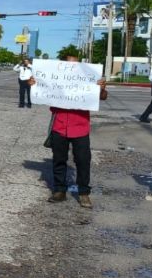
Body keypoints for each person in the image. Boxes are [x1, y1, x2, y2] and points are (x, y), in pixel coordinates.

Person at [32, 55, 108, 209]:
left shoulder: (88, 79)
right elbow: (42, 90)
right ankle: (59, 190)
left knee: (83, 161)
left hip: (80, 126)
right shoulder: (56, 78)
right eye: (68, 64)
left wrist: (101, 88)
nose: (71, 67)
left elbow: (103, 97)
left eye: (74, 64)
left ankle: (83, 193)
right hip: (59, 126)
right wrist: (35, 84)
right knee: (59, 159)